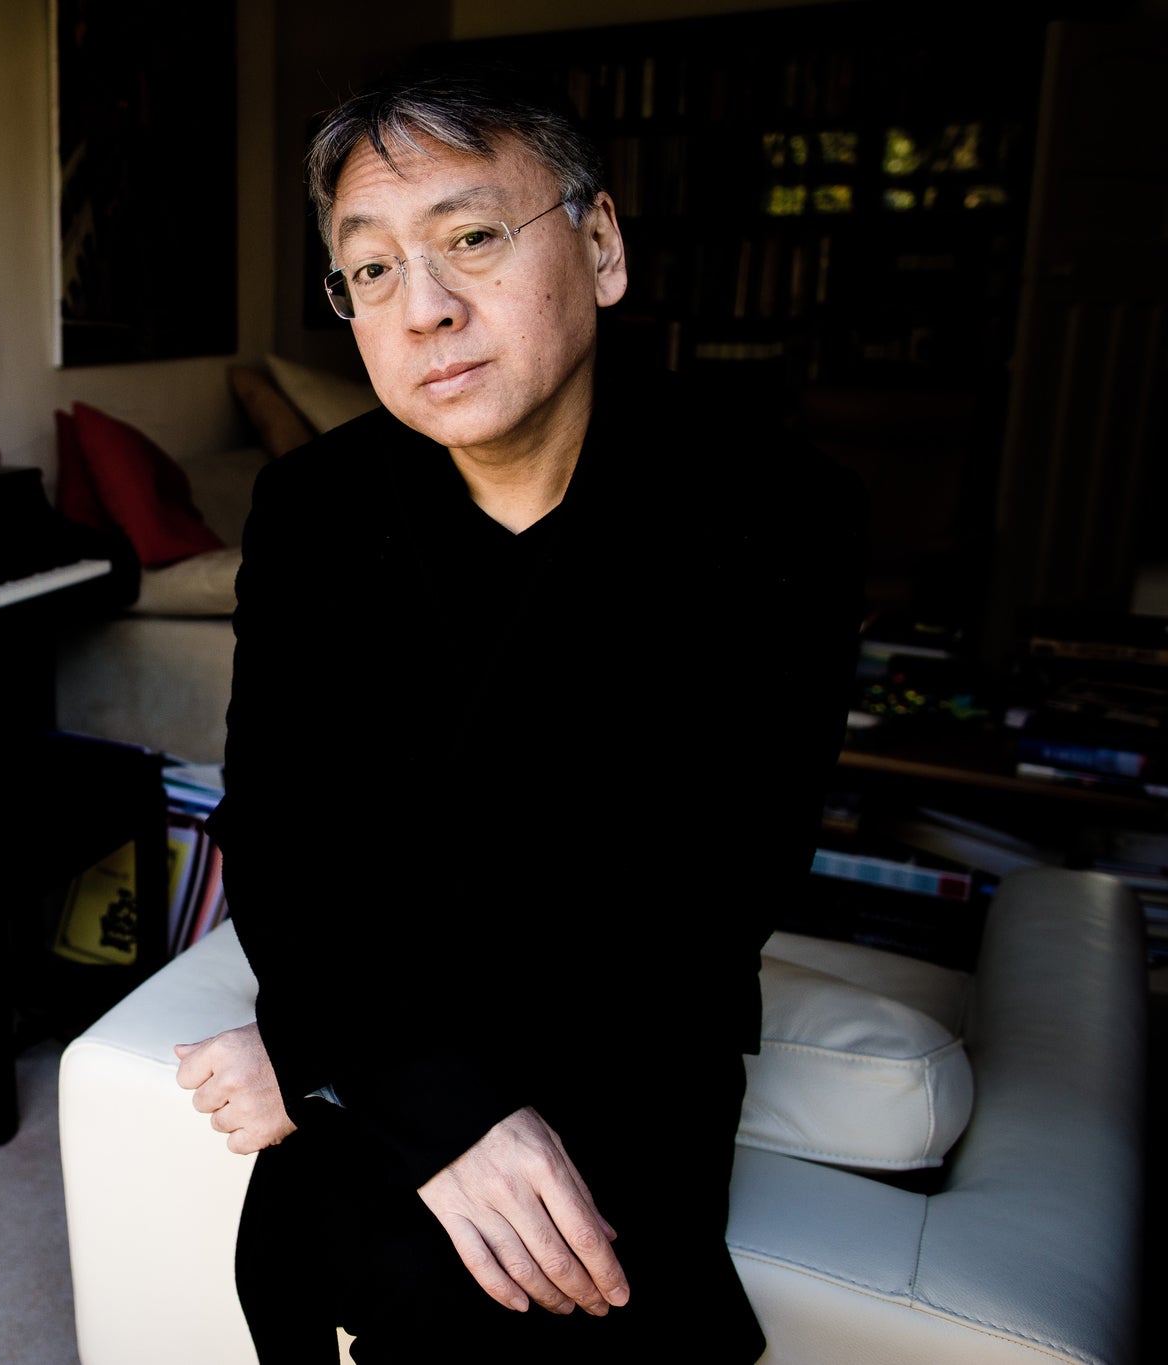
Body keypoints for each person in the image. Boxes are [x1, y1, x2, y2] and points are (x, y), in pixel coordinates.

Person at [173, 73, 867, 1362]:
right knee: (370, 1256)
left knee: (500, 1287)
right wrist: (412, 1086)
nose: (424, 310)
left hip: (633, 1032)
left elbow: (702, 889)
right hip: (398, 1031)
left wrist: (324, 1050)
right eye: (368, 272)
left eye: (471, 239)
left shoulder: (775, 515)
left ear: (598, 245)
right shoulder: (313, 509)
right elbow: (280, 832)